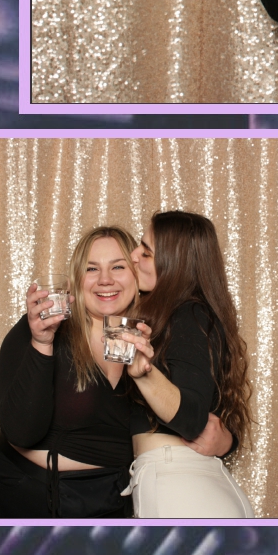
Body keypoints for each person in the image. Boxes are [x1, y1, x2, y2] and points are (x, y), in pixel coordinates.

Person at [0, 226, 144, 517]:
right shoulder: (42, 329)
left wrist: (224, 437)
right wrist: (42, 343)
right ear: (76, 278)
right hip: (23, 495)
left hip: (108, 503)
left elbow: (188, 418)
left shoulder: (153, 336)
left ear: (137, 273)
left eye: (118, 266)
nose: (105, 279)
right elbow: (21, 433)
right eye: (92, 268)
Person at [115, 211, 254, 518]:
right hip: (186, 484)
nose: (133, 255)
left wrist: (144, 374)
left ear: (175, 265)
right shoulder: (175, 316)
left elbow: (192, 420)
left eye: (146, 252)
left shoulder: (190, 315)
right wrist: (228, 441)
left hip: (179, 487)